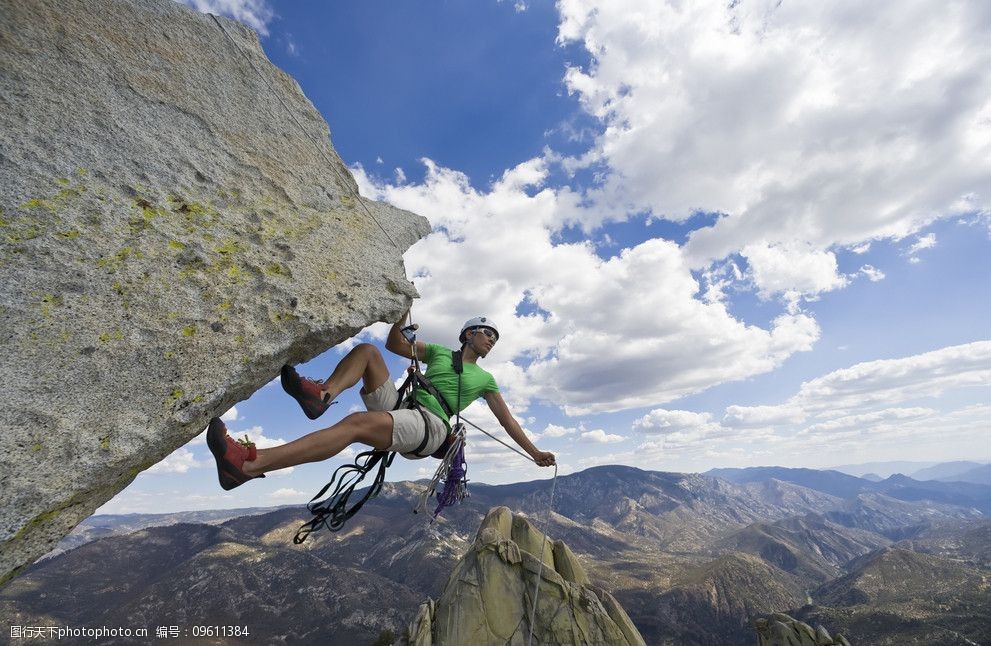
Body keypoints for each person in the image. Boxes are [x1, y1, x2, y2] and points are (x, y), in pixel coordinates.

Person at [207, 312, 556, 490]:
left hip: (431, 426)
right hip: (405, 407)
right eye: (487, 333)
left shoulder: (486, 380)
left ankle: (249, 465)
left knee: (356, 425)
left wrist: (534, 452)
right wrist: (402, 312)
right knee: (369, 352)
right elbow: (394, 345)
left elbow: (507, 420)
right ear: (468, 334)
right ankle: (322, 396)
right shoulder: (436, 352)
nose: (492, 340)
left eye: (496, 337)